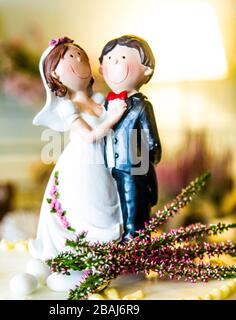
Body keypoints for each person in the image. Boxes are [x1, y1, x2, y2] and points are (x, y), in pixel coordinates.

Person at [29, 37, 126, 261]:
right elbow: (90, 135)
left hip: (106, 160)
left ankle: (111, 254)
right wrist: (114, 117)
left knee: (111, 199)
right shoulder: (68, 107)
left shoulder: (100, 100)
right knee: (93, 205)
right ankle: (90, 255)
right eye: (71, 57)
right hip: (84, 164)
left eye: (81, 55)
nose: (80, 60)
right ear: (54, 75)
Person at [99, 35, 162, 240]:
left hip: (133, 167)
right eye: (109, 59)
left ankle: (134, 243)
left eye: (122, 57)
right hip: (107, 165)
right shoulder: (104, 105)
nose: (114, 62)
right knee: (113, 206)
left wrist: (142, 166)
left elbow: (152, 141)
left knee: (134, 206)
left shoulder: (142, 106)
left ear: (146, 69)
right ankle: (116, 240)